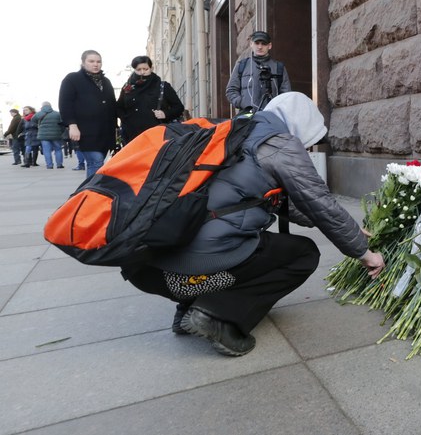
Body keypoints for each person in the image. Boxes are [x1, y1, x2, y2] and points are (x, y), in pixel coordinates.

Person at [122, 92, 384, 357]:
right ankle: (217, 317)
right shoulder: (280, 144)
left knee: (220, 236)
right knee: (302, 254)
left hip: (147, 267)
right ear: (299, 125)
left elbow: (288, 203)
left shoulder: (235, 131)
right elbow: (320, 203)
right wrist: (364, 253)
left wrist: (349, 230)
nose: (306, 149)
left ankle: (188, 310)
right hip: (184, 275)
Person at [59, 50, 117, 178]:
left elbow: (112, 105)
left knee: (99, 163)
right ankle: (91, 194)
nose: (95, 64)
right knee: (95, 161)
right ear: (83, 62)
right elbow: (65, 104)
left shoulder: (105, 81)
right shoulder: (72, 79)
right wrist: (72, 125)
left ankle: (93, 192)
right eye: (91, 61)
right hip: (85, 131)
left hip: (105, 131)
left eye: (98, 61)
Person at [117, 55, 186, 143]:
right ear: (134, 70)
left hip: (157, 134)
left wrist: (165, 113)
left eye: (145, 69)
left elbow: (179, 107)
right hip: (132, 136)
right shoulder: (127, 88)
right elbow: (119, 107)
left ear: (151, 68)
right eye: (138, 70)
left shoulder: (162, 86)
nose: (142, 72)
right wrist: (126, 120)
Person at [226, 31, 292, 113]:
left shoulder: (279, 67)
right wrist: (242, 103)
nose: (260, 47)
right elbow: (231, 90)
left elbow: (286, 95)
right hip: (247, 116)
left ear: (269, 46)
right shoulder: (242, 65)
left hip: (271, 116)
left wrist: (277, 109)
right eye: (257, 43)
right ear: (251, 44)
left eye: (263, 43)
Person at [34, 102, 65, 169]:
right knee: (58, 149)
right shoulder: (57, 114)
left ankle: (49, 165)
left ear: (42, 106)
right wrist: (60, 132)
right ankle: (59, 164)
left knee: (46, 150)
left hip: (43, 135)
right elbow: (63, 124)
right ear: (50, 106)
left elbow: (33, 120)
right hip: (56, 134)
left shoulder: (38, 114)